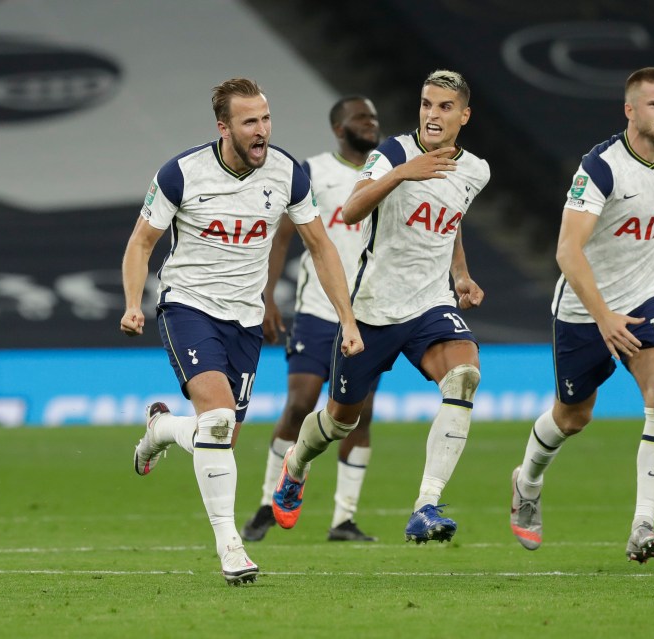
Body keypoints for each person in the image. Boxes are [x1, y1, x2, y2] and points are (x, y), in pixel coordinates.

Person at [119, 78, 363, 585]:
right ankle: (231, 548)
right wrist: (131, 304)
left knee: (221, 436)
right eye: (250, 122)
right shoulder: (181, 173)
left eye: (267, 119)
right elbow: (142, 243)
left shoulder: (288, 173)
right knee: (216, 423)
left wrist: (346, 317)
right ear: (223, 127)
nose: (262, 131)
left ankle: (162, 430)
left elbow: (320, 247)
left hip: (245, 322)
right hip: (188, 306)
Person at [509, 66, 654, 562]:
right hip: (583, 307)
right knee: (573, 417)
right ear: (630, 110)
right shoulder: (602, 167)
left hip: (645, 297)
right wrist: (604, 316)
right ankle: (526, 482)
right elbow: (568, 252)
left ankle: (642, 527)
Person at [269, 69, 490, 544]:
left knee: (464, 376)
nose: (433, 114)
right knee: (338, 420)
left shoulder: (476, 170)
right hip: (373, 309)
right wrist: (402, 173)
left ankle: (425, 505)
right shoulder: (391, 153)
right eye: (427, 104)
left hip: (430, 304)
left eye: (445, 107)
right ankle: (296, 464)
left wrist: (461, 275)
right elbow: (350, 210)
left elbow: (448, 224)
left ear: (464, 115)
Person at [240, 96, 382, 544]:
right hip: (319, 311)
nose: (371, 124)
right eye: (362, 118)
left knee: (360, 414)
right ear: (339, 128)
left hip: (370, 311)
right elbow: (282, 238)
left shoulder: (389, 170)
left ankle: (344, 519)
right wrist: (267, 296)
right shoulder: (313, 171)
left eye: (374, 118)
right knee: (301, 404)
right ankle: (268, 501)